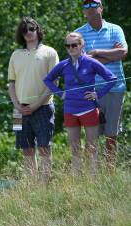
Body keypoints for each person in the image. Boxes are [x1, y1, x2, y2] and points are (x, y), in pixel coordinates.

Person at [43, 32, 116, 176]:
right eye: (68, 45)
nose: (71, 48)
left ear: (82, 45)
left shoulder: (91, 62)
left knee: (92, 147)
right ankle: (77, 181)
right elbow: (47, 80)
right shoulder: (63, 64)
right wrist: (60, 93)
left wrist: (98, 94)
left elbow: (112, 79)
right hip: (70, 110)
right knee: (75, 148)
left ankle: (93, 181)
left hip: (88, 108)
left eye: (74, 45)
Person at [75, 0, 127, 169]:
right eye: (86, 6)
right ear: (83, 11)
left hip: (115, 88)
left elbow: (123, 52)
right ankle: (94, 174)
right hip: (89, 91)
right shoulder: (78, 34)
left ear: (101, 8)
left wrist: (96, 54)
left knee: (112, 134)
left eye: (93, 5)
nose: (90, 9)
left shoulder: (115, 29)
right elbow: (79, 62)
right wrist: (112, 54)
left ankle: (110, 172)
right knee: (92, 135)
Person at [8, 17, 59, 182]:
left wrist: (36, 105)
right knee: (26, 149)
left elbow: (54, 83)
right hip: (18, 110)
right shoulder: (15, 54)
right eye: (24, 30)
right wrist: (16, 105)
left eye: (31, 28)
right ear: (21, 35)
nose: (28, 33)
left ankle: (44, 186)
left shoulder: (50, 52)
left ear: (38, 30)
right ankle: (32, 186)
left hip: (43, 107)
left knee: (45, 148)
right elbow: (11, 83)